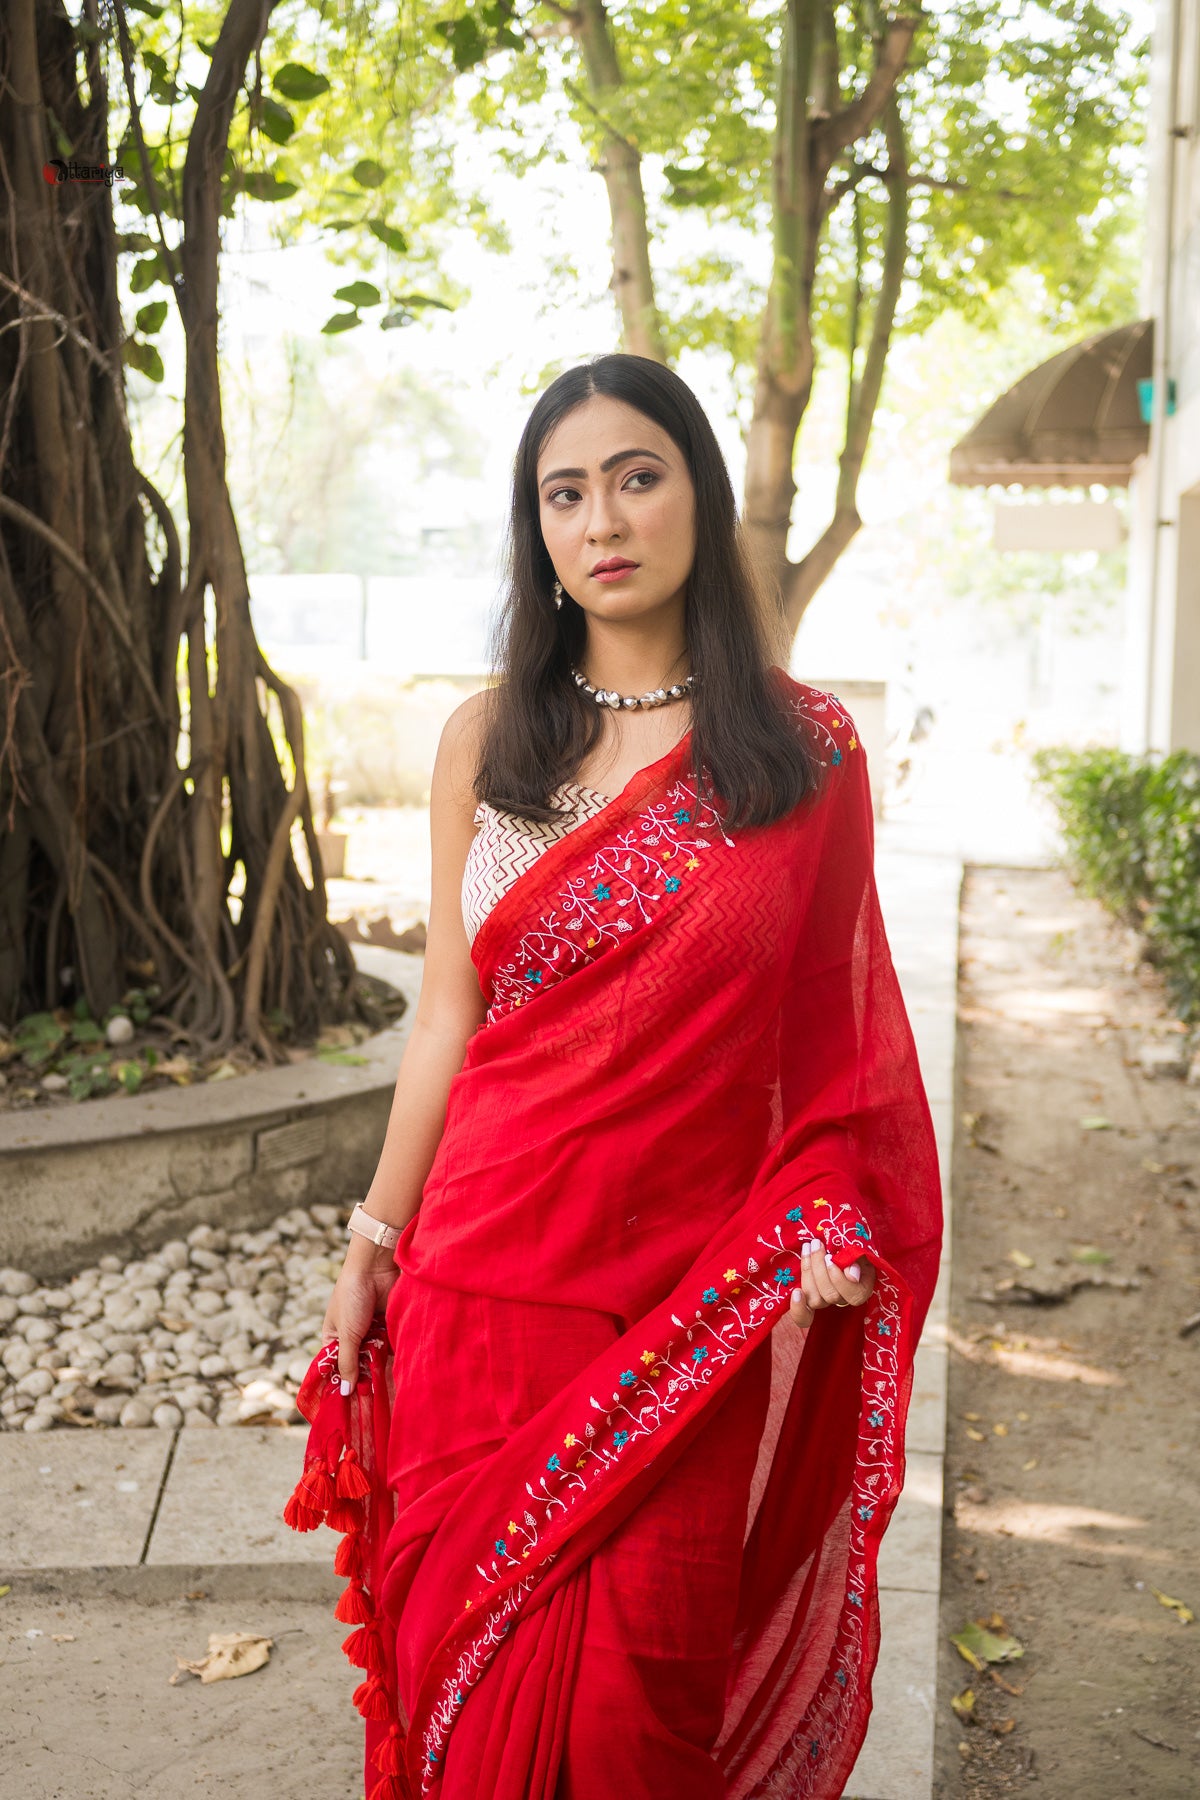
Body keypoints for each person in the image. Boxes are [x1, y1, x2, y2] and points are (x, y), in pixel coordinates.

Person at [286, 352, 943, 1800]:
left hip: (681, 1315)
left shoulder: (803, 753)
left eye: (636, 477)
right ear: (538, 533)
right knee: (472, 1696)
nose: (603, 520)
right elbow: (449, 1013)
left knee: (639, 1711)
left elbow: (833, 1055)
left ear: (698, 494)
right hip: (481, 1283)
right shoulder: (489, 739)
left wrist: (829, 1212)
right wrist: (373, 1241)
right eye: (564, 494)